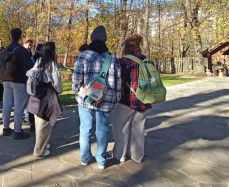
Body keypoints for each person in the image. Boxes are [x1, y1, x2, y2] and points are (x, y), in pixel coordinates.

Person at [72, 25, 121, 169]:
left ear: (92, 39)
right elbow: (118, 82)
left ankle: (85, 157)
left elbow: (76, 79)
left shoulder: (84, 56)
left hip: (86, 99)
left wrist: (77, 91)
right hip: (106, 100)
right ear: (105, 40)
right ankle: (101, 160)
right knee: (103, 130)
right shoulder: (112, 58)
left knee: (85, 129)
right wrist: (116, 98)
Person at [112, 35, 152, 164]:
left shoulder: (123, 61)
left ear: (126, 48)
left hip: (126, 100)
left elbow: (119, 81)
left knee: (120, 127)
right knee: (138, 129)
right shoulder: (147, 60)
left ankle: (120, 155)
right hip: (143, 99)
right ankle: (137, 156)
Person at [30, 42, 63, 157]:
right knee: (45, 123)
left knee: (38, 122)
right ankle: (39, 151)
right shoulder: (52, 64)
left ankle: (42, 144)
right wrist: (58, 92)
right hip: (47, 96)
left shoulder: (39, 61)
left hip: (36, 95)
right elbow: (57, 83)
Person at [2, 28, 35, 140]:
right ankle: (17, 130)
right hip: (19, 81)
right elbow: (29, 68)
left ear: (10, 36)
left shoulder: (5, 49)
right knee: (19, 107)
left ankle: (6, 128)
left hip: (6, 80)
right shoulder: (22, 51)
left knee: (6, 105)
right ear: (20, 37)